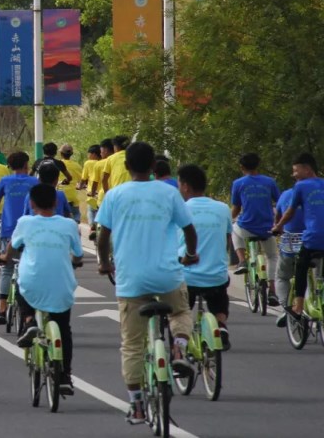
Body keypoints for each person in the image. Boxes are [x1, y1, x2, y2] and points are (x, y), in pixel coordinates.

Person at [96, 142, 197, 425]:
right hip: (167, 276)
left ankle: (137, 405)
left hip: (131, 280)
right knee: (180, 311)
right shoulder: (169, 192)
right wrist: (190, 255)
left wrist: (104, 263)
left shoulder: (115, 195)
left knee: (132, 345)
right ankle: (179, 347)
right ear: (154, 165)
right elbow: (189, 230)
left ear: (126, 166)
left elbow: (103, 237)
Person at [0, 183, 83, 392]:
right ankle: (64, 376)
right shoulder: (69, 224)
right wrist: (75, 261)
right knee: (64, 329)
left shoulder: (25, 222)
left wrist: (6, 257)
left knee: (22, 285)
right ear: (56, 202)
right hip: (62, 285)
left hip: (32, 282)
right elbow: (78, 254)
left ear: (32, 203)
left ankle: (28, 321)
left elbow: (13, 246)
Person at [177, 164, 232, 350]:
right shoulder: (223, 208)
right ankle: (221, 324)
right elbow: (226, 239)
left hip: (187, 277)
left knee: (180, 312)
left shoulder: (180, 209)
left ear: (186, 186)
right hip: (216, 276)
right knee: (220, 297)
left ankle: (180, 345)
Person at [0, 151, 39, 325]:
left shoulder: (5, 181)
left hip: (9, 230)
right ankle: (30, 310)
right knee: (29, 270)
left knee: (7, 269)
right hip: (30, 231)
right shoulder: (34, 182)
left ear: (10, 166)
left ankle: (2, 309)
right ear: (26, 164)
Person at [272, 153, 324, 319]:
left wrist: (278, 226)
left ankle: (298, 306)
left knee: (300, 267)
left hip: (313, 239)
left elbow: (289, 212)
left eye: (296, 170)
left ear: (307, 169)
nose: (293, 174)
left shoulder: (300, 186)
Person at [231, 152, 281, 305]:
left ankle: (242, 261)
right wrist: (278, 223)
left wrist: (229, 219)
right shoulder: (270, 182)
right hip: (267, 229)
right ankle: (272, 290)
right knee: (272, 256)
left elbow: (236, 208)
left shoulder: (238, 183)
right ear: (258, 165)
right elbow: (280, 204)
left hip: (246, 227)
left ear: (242, 167)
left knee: (233, 229)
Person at [272, 180, 306, 327]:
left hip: (290, 246)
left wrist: (277, 228)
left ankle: (286, 308)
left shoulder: (286, 195)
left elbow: (278, 218)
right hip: (314, 243)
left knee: (282, 277)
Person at [79, 145, 101, 240]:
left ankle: (92, 227)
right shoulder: (104, 162)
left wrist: (80, 186)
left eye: (89, 153)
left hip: (92, 193)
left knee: (91, 210)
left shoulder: (88, 163)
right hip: (102, 193)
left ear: (94, 154)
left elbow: (84, 178)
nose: (88, 155)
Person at [58, 144, 83, 223]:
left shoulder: (57, 164)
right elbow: (82, 180)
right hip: (72, 197)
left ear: (61, 153)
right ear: (71, 154)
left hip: (59, 195)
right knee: (75, 217)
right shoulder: (77, 166)